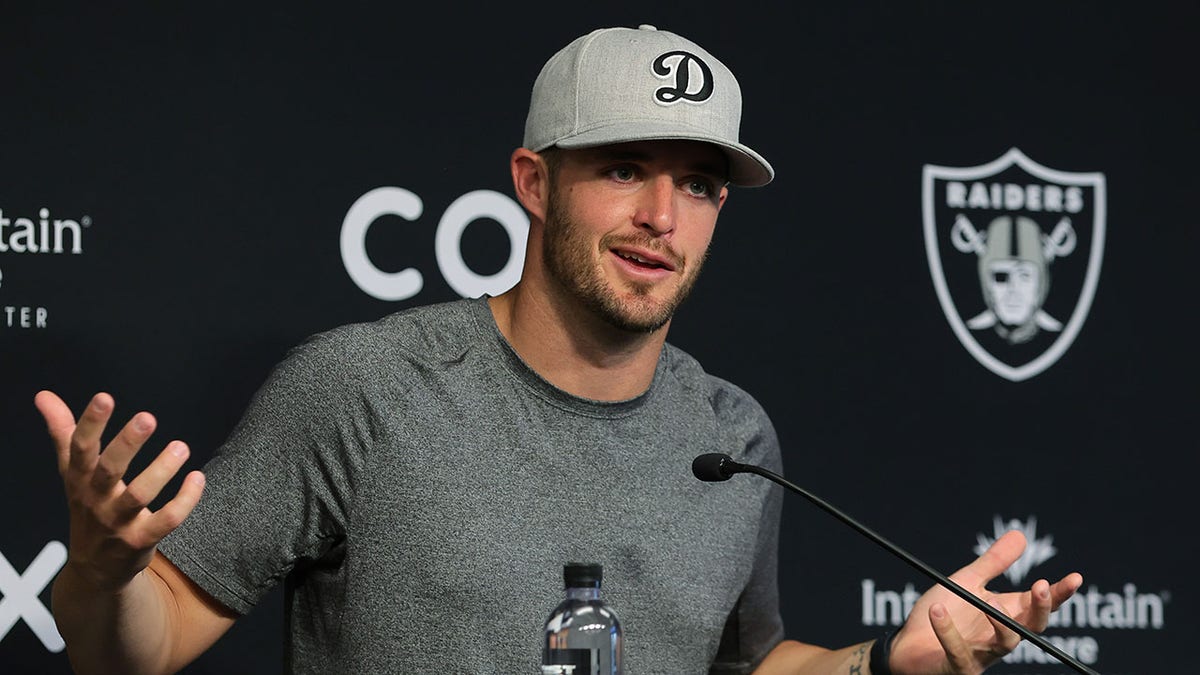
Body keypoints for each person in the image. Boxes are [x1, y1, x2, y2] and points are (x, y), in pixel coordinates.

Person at [36, 24, 1083, 674]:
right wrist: (101, 575)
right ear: (534, 183)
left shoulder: (732, 433)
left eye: (701, 184)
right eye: (625, 168)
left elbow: (746, 663)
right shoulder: (365, 389)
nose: (663, 216)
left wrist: (884, 664)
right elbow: (141, 646)